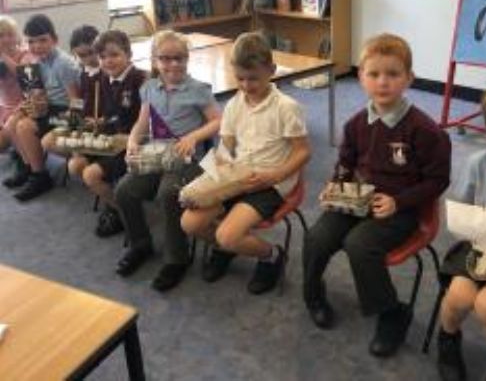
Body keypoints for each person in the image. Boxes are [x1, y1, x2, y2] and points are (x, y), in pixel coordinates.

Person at [302, 33, 451, 357]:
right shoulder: (356, 124)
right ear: (361, 77)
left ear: (409, 78)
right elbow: (346, 163)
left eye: (393, 74)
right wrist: (335, 184)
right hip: (358, 198)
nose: (383, 82)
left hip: (402, 208)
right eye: (374, 74)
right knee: (318, 237)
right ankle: (313, 293)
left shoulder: (425, 130)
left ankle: (392, 313)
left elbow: (438, 180)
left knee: (360, 244)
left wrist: (400, 201)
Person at [181, 31, 310, 295]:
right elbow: (225, 149)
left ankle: (271, 256)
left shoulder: (286, 107)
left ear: (271, 71)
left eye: (253, 78)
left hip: (270, 183)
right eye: (240, 78)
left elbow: (303, 152)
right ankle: (225, 248)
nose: (246, 85)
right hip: (236, 176)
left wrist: (275, 176)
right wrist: (204, 181)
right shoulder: (233, 105)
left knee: (227, 234)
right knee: (189, 223)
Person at [114, 30, 220, 291]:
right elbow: (142, 122)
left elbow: (218, 121)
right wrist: (132, 141)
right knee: (124, 190)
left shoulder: (198, 90)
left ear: (187, 59)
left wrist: (194, 136)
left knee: (168, 193)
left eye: (179, 58)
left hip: (188, 160)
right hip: (157, 155)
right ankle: (140, 244)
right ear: (154, 60)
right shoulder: (149, 88)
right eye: (165, 58)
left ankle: (176, 259)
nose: (173, 64)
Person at [437, 85, 486, 381]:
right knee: (459, 296)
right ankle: (447, 339)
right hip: (481, 245)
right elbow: (460, 211)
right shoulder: (479, 164)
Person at [65, 29, 146, 237]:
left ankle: (124, 213)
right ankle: (115, 205)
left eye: (114, 55)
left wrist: (129, 137)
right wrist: (98, 122)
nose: (108, 61)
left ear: (129, 54)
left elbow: (146, 122)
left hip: (134, 144)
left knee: (90, 175)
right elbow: (108, 113)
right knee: (75, 163)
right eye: (102, 57)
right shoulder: (103, 78)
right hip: (111, 138)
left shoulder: (140, 80)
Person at [3, 14, 80, 201]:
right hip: (51, 109)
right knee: (14, 121)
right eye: (31, 41)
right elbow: (39, 93)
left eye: (42, 40)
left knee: (25, 126)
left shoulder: (64, 63)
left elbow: (77, 101)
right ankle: (30, 169)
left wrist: (71, 122)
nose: (36, 46)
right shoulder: (37, 61)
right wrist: (31, 104)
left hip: (68, 113)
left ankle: (39, 176)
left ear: (55, 39)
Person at [42, 25, 100, 154]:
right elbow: (79, 100)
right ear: (74, 53)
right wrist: (72, 112)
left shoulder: (106, 72)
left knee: (58, 139)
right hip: (82, 119)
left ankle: (80, 156)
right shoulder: (82, 71)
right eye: (82, 55)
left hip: (98, 122)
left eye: (91, 52)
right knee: (48, 139)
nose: (88, 59)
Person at [0, 16, 32, 159]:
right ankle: (20, 153)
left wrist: (4, 56)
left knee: (11, 127)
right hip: (5, 107)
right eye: (1, 35)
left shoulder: (25, 54)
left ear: (17, 36)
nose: (6, 39)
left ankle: (29, 162)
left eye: (10, 35)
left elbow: (24, 78)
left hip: (24, 104)